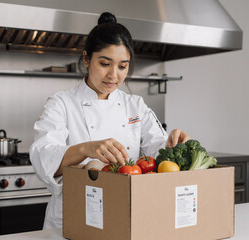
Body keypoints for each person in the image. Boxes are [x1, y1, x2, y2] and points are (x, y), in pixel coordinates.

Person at [29, 12, 190, 229]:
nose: (113, 75)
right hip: (73, 216)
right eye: (105, 63)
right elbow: (42, 156)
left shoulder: (135, 105)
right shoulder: (62, 103)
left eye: (122, 66)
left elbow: (157, 152)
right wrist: (87, 148)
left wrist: (172, 144)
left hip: (126, 213)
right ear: (87, 59)